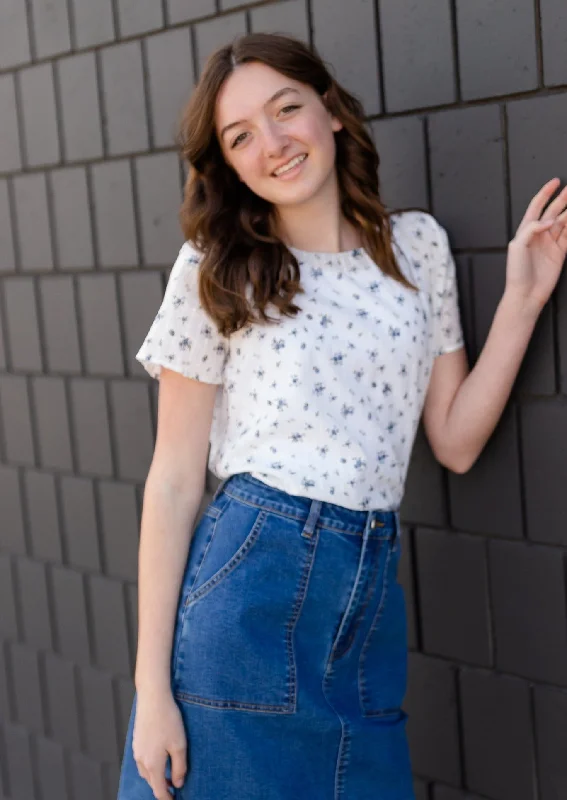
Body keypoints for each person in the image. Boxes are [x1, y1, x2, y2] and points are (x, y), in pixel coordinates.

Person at [117, 31, 567, 800]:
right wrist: (151, 693)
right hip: (251, 583)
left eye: (286, 109)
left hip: (365, 597)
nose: (274, 143)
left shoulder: (414, 246)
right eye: (241, 136)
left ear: (328, 109)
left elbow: (454, 441)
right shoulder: (217, 268)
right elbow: (171, 483)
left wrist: (522, 299)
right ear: (225, 164)